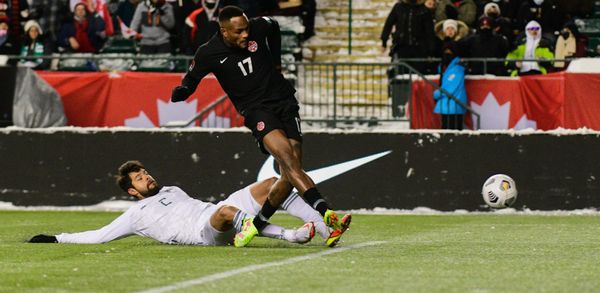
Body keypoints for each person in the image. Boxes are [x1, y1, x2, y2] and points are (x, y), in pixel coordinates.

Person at [170, 6, 351, 248]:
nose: (246, 35)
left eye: (246, 29)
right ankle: (327, 213)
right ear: (224, 31)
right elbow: (191, 80)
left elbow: (274, 27)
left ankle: (256, 225)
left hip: (284, 102)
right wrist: (183, 91)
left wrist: (275, 62)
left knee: (289, 173)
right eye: (239, 32)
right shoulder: (208, 53)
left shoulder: (258, 26)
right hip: (257, 111)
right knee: (288, 159)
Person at [28, 160, 338, 247]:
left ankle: (326, 228)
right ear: (132, 192)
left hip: (218, 211)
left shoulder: (172, 189)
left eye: (145, 172)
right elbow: (99, 236)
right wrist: (57, 238)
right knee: (227, 212)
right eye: (139, 178)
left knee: (272, 184)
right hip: (205, 233)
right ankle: (290, 235)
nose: (146, 177)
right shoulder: (136, 215)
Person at [380, 0, 436, 73]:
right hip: (401, 47)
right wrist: (384, 41)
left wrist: (431, 51)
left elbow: (430, 32)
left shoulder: (424, 10)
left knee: (417, 75)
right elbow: (388, 23)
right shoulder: (398, 7)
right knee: (400, 74)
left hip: (419, 49)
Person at [433, 41, 467, 130]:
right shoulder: (445, 68)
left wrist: (436, 94)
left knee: (453, 133)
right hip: (448, 106)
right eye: (445, 52)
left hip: (454, 106)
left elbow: (449, 88)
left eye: (450, 52)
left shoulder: (457, 68)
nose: (447, 55)